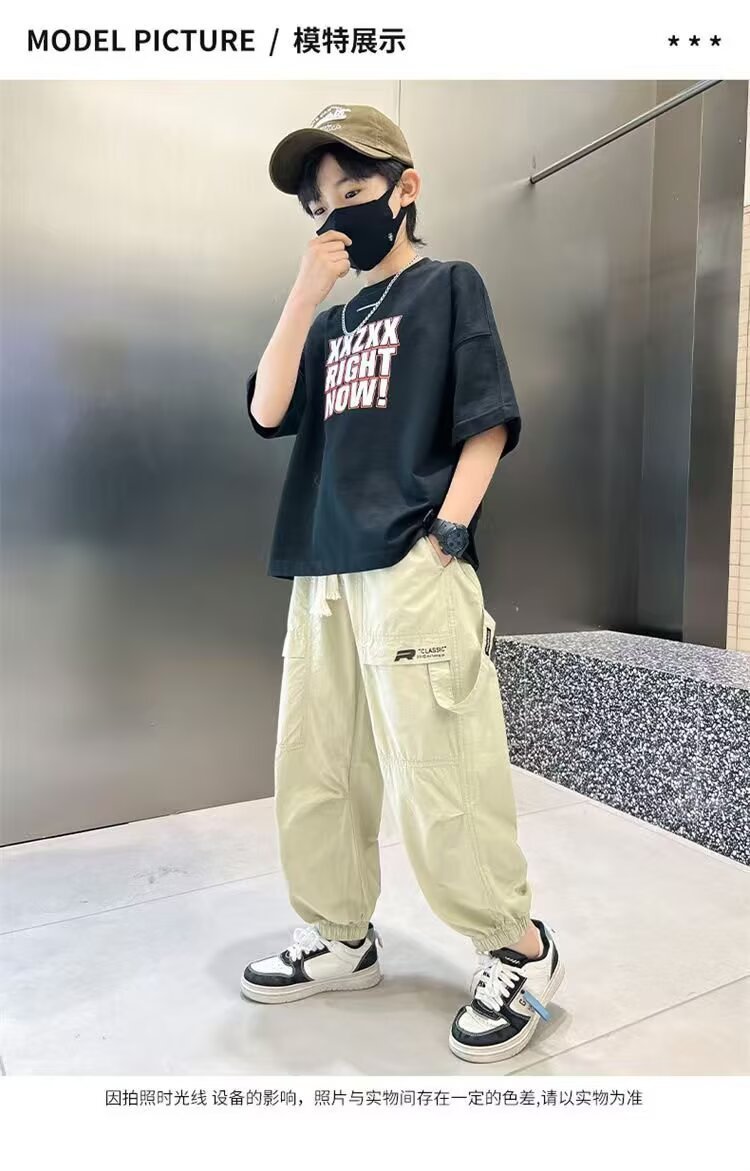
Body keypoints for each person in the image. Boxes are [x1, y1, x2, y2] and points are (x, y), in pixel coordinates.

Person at [240, 103, 564, 1063]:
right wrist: (305, 289)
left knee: (441, 768)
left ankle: (520, 947)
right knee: (316, 764)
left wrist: (447, 535)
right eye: (318, 204)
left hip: (412, 562)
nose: (334, 214)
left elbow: (487, 419)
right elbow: (267, 409)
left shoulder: (449, 286)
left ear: (405, 189)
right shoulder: (329, 321)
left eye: (353, 191)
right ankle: (341, 934)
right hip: (323, 570)